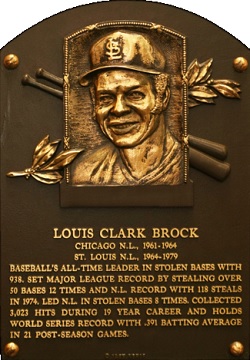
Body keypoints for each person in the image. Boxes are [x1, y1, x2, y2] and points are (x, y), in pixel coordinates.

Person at [71, 30, 183, 185]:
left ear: (162, 96)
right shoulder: (86, 173)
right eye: (105, 98)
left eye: (134, 95)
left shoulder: (183, 167)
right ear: (94, 102)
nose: (118, 109)